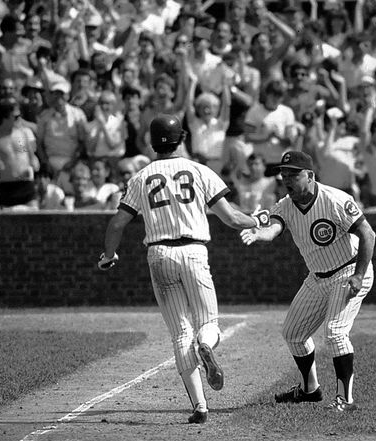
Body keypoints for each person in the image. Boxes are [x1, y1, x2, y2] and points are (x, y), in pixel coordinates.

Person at [98, 114, 269, 424]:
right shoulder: (200, 170)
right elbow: (231, 218)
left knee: (179, 334)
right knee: (209, 324)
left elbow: (117, 222)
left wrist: (109, 255)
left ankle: (200, 406)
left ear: (151, 142)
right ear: (184, 137)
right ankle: (206, 345)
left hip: (159, 253)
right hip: (194, 251)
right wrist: (258, 220)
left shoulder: (140, 177)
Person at [239, 150, 376, 412]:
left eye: (294, 174)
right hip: (318, 276)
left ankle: (345, 400)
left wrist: (359, 275)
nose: (287, 179)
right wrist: (258, 234)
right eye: (284, 174)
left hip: (348, 271)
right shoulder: (286, 206)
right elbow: (273, 229)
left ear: (310, 175)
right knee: (293, 334)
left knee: (335, 332)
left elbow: (368, 234)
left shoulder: (335, 199)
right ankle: (309, 390)